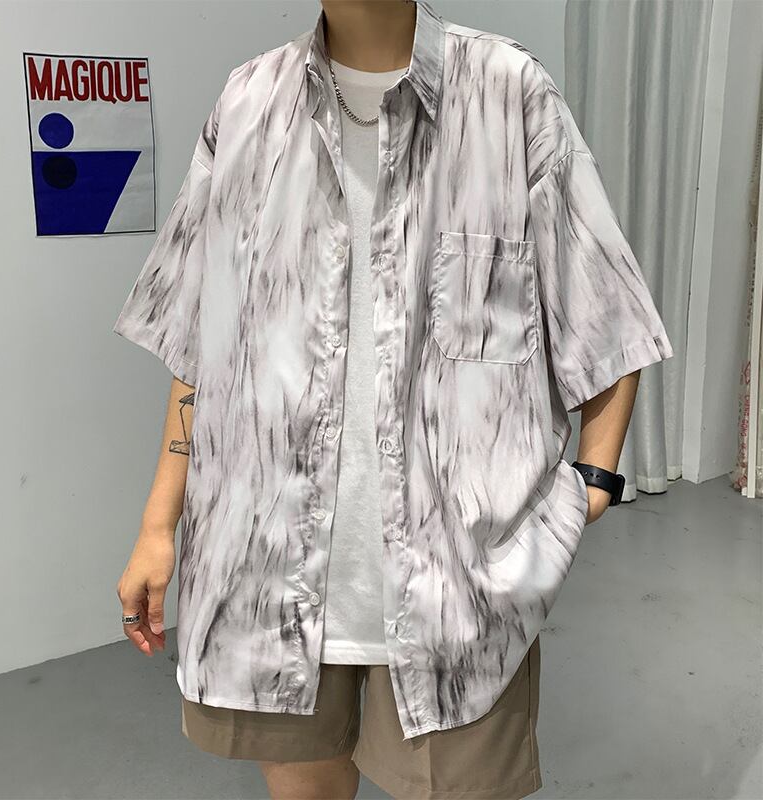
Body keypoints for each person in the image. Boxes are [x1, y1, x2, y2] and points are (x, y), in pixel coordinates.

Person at [113, 1, 673, 798]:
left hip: (460, 593)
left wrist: (593, 483)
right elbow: (204, 338)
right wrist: (157, 524)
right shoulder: (245, 105)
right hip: (269, 575)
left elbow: (609, 316)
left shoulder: (509, 94)